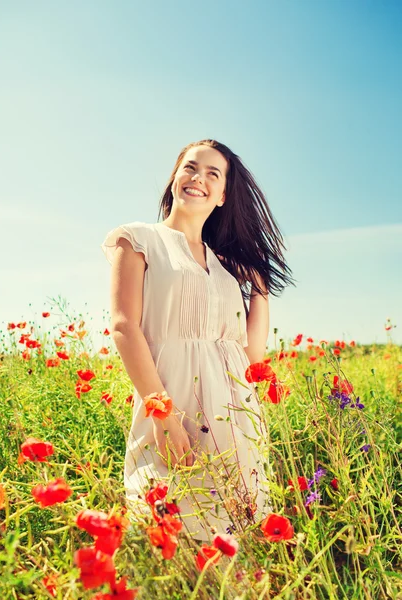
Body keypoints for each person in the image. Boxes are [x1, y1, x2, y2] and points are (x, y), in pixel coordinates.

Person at [101, 139, 294, 541]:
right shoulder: (138, 239)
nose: (197, 179)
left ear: (223, 195)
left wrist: (259, 288)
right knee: (169, 530)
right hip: (174, 407)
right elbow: (124, 327)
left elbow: (249, 356)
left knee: (232, 545)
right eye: (190, 167)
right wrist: (163, 414)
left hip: (233, 417)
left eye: (212, 174)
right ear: (175, 176)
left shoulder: (225, 268)